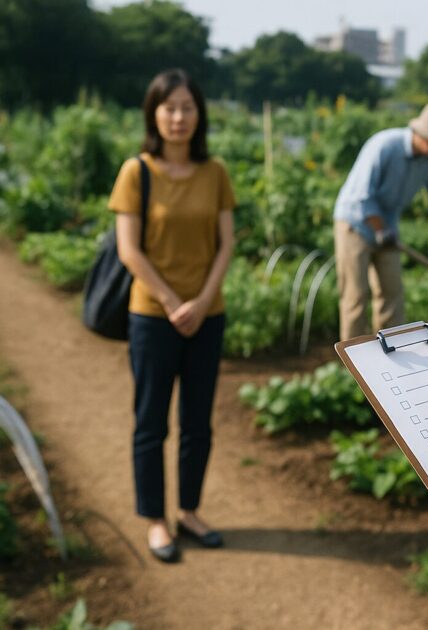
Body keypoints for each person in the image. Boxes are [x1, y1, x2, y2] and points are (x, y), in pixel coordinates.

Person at [110, 69, 236, 563]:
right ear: (154, 114)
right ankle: (156, 520)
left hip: (208, 316)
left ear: (198, 114)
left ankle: (188, 510)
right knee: (150, 422)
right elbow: (128, 250)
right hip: (151, 316)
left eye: (187, 107)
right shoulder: (136, 172)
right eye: (169, 108)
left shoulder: (215, 172)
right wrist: (170, 302)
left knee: (198, 423)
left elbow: (226, 242)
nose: (178, 117)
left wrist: (203, 302)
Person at [332, 102, 428, 340]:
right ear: (422, 134)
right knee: (355, 296)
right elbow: (362, 195)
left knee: (392, 294)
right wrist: (379, 229)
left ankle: (390, 358)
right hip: (355, 224)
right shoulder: (384, 146)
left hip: (387, 226)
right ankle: (350, 365)